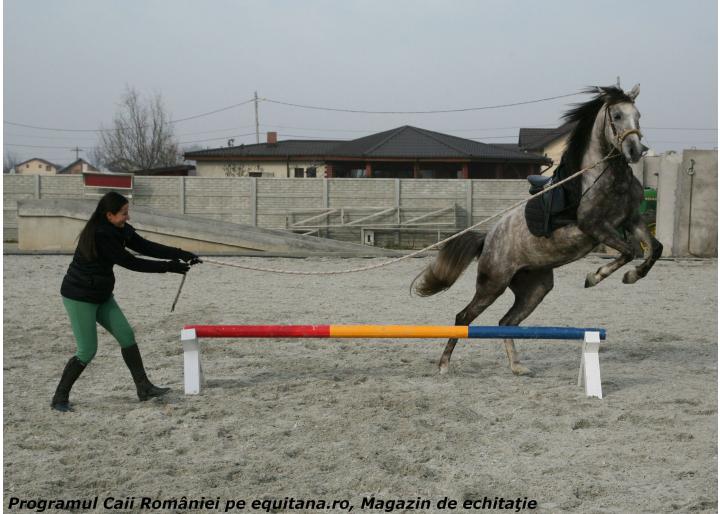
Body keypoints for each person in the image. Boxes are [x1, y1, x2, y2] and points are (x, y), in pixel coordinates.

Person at [51, 191, 202, 412]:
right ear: (109, 215)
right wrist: (169, 267)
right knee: (87, 350)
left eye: (127, 212)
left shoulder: (119, 228)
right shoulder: (100, 234)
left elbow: (146, 247)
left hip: (101, 295)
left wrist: (182, 253)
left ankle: (144, 388)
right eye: (123, 213)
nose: (127, 217)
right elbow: (130, 262)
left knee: (127, 336)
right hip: (80, 297)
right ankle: (59, 398)